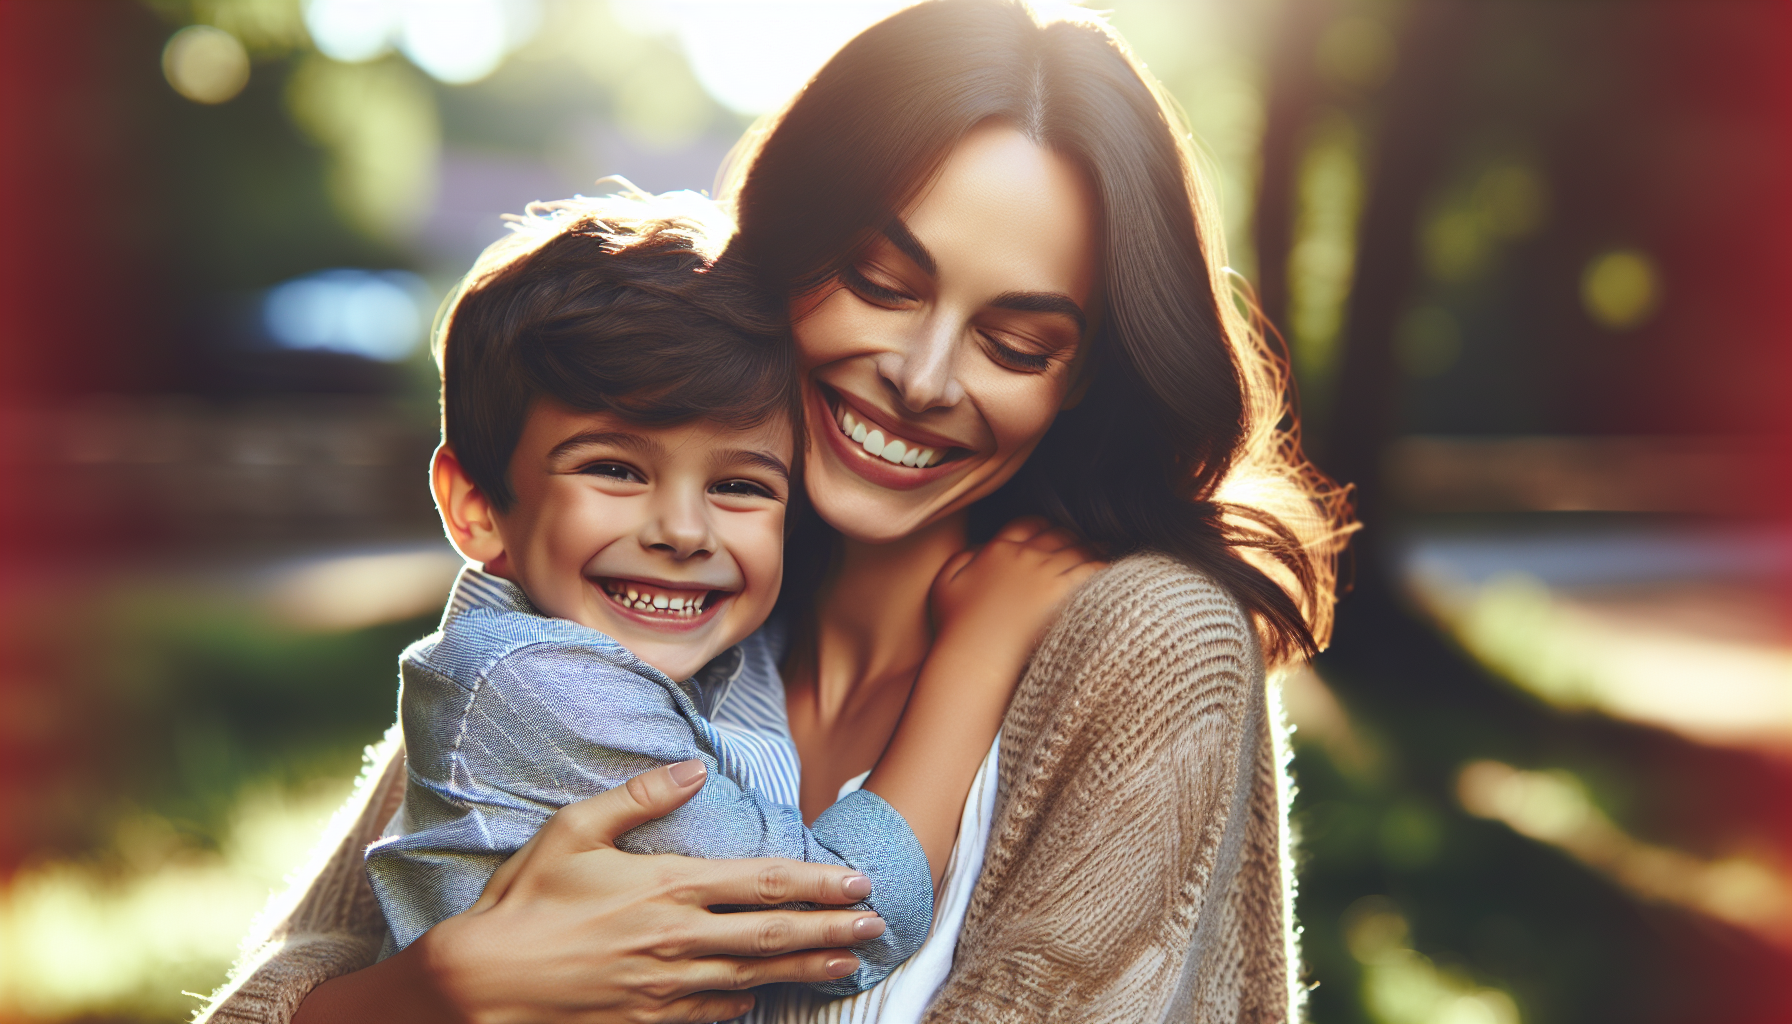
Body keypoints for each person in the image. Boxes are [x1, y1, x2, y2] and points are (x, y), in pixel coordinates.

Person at [197, 2, 1351, 1022]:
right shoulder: (639, 599)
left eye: (1015, 342)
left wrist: (978, 657)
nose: (926, 377)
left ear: (1080, 379)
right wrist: (431, 997)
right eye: (880, 284)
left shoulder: (1145, 644)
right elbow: (308, 964)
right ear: (776, 256)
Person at [355, 192, 1100, 996]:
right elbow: (849, 915)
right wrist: (980, 650)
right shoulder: (535, 685)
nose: (683, 531)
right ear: (477, 506)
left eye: (741, 484)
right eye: (614, 469)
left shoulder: (730, 636)